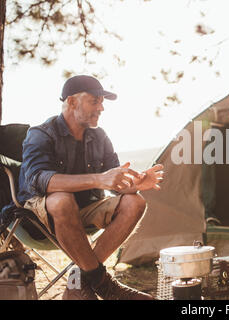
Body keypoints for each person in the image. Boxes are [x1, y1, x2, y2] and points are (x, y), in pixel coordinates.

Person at [17, 75, 164, 300]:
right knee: (62, 199)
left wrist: (133, 185)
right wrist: (98, 179)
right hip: (41, 214)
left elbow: (113, 181)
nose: (102, 107)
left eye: (101, 102)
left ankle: (80, 280)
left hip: (86, 208)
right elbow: (38, 179)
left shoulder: (100, 136)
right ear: (72, 102)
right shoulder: (41, 133)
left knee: (135, 201)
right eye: (95, 101)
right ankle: (103, 284)